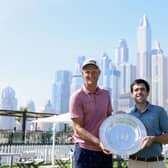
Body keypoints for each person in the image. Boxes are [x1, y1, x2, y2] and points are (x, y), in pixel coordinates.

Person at [70, 59, 113, 168]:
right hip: (85, 150)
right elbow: (77, 128)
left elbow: (109, 119)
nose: (90, 75)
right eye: (87, 72)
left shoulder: (106, 94)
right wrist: (99, 142)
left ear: (99, 74)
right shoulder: (77, 97)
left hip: (105, 150)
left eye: (94, 72)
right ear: (82, 75)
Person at [128, 78, 168, 168]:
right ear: (132, 94)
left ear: (147, 93)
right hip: (134, 163)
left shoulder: (159, 111)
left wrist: (154, 139)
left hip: (156, 163)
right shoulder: (128, 115)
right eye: (136, 90)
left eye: (142, 89)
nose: (139, 92)